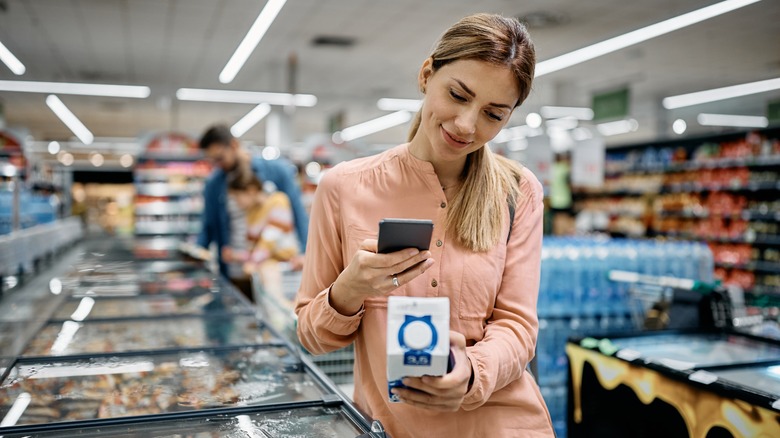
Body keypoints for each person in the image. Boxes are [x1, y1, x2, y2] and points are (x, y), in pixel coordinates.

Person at [295, 13, 553, 438]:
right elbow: (312, 335)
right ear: (426, 74)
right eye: (457, 94)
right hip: (394, 426)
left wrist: (472, 373)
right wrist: (350, 290)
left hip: (502, 425)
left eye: (494, 114)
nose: (467, 125)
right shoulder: (344, 187)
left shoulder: (518, 191)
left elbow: (518, 327)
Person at [197, 125, 309, 296]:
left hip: (273, 268)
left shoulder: (277, 172)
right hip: (235, 271)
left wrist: (306, 254)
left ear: (234, 145)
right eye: (212, 160)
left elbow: (298, 215)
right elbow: (209, 225)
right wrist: (196, 254)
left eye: (220, 158)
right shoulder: (214, 184)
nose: (217, 165)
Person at [224, 170, 299, 276]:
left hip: (285, 269)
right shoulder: (251, 213)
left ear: (251, 190)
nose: (236, 202)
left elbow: (269, 241)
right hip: (264, 271)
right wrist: (235, 256)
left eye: (237, 196)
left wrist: (253, 262)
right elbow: (255, 249)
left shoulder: (278, 201)